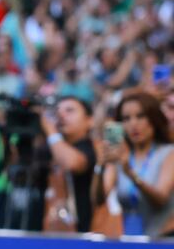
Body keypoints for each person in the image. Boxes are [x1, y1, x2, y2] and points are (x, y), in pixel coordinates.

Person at [98, 90, 174, 238]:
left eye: (140, 116)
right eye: (126, 118)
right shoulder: (120, 156)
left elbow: (161, 200)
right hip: (130, 240)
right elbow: (99, 199)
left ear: (153, 119)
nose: (133, 124)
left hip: (164, 241)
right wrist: (100, 165)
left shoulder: (169, 152)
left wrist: (131, 173)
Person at [35, 96, 97, 233]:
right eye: (58, 111)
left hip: (83, 233)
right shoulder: (48, 148)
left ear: (90, 120)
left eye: (70, 110)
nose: (61, 115)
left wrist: (51, 131)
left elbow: (72, 163)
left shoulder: (91, 148)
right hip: (49, 231)